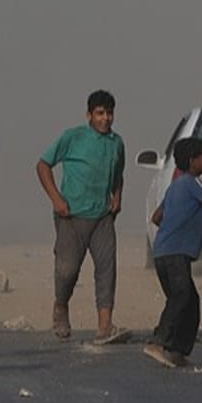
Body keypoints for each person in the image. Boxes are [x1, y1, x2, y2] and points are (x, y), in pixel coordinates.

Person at [36, 90, 130, 345]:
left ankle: (105, 326)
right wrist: (56, 199)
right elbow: (43, 165)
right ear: (89, 115)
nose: (106, 118)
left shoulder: (116, 143)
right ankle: (61, 306)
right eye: (100, 113)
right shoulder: (72, 137)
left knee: (107, 269)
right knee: (67, 270)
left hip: (102, 216)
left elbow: (119, 173)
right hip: (71, 215)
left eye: (109, 113)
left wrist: (117, 196)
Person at [143, 137, 202, 368]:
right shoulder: (195, 182)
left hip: (162, 253)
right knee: (181, 296)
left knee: (190, 301)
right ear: (192, 161)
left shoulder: (174, 186)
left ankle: (178, 350)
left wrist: (175, 225)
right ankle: (159, 341)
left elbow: (156, 217)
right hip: (175, 253)